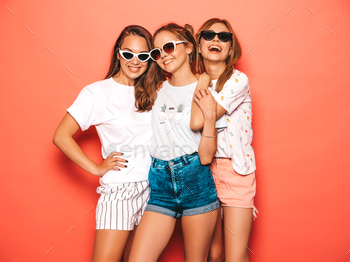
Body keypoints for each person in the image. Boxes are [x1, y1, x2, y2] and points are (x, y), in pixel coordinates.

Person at [53, 25, 162, 262]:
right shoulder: (98, 93)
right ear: (118, 53)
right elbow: (61, 136)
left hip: (155, 189)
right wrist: (96, 168)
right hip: (120, 188)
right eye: (128, 54)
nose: (135, 61)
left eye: (143, 56)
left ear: (150, 58)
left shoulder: (155, 92)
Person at [128, 23, 220, 262]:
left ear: (189, 47)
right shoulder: (155, 87)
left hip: (195, 179)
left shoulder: (206, 86)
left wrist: (203, 80)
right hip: (160, 183)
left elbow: (201, 136)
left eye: (169, 47)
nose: (163, 55)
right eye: (157, 52)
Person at [190, 18, 257, 262]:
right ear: (198, 45)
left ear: (231, 48)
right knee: (214, 254)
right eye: (208, 35)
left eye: (224, 37)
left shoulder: (238, 80)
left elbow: (197, 121)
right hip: (203, 170)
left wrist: (203, 80)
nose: (216, 39)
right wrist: (203, 79)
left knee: (235, 257)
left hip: (235, 170)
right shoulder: (196, 82)